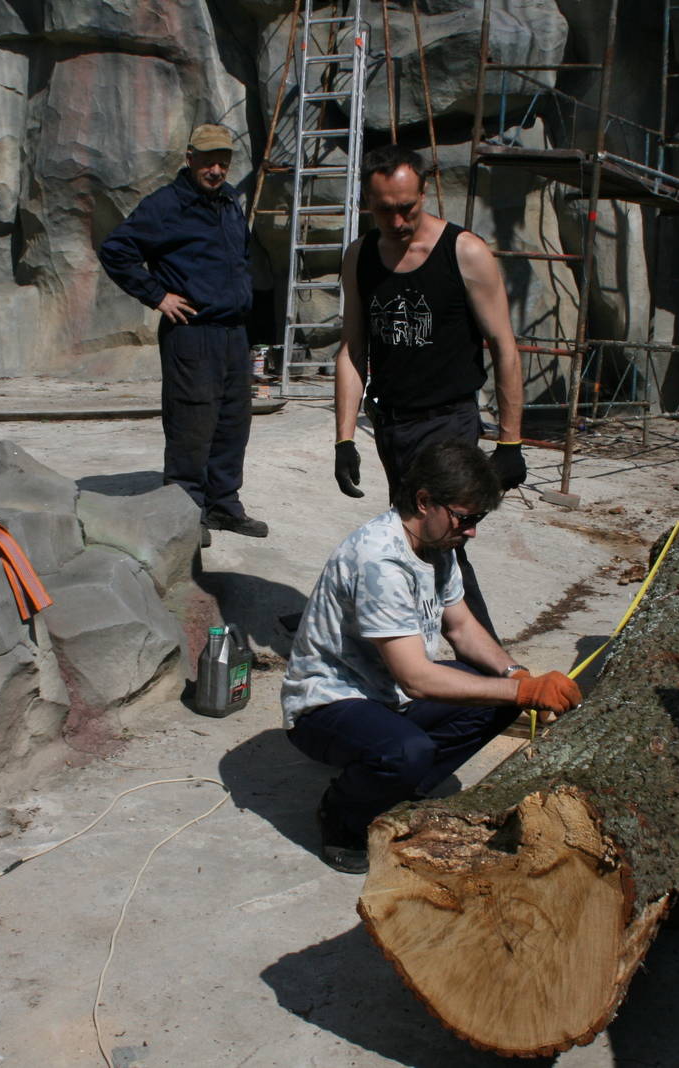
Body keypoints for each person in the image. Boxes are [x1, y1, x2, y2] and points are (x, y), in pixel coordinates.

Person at [282, 439, 581, 873]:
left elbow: (460, 626)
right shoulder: (381, 561)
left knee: (493, 699)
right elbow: (417, 679)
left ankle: (398, 796)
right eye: (466, 517)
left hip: (388, 697)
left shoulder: (438, 547)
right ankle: (343, 816)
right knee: (406, 751)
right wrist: (522, 693)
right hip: (328, 703)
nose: (473, 529)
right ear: (424, 502)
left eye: (478, 519)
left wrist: (516, 676)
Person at [330, 143, 525, 632]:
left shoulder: (464, 252)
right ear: (367, 204)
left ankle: (491, 667)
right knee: (404, 538)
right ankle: (383, 632)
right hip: (393, 425)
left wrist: (510, 441)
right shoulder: (361, 257)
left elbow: (504, 346)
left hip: (449, 422)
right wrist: (345, 438)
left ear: (424, 191)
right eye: (384, 211)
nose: (396, 222)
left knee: (440, 538)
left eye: (407, 208)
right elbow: (353, 351)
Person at [99, 123, 264, 546]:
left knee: (232, 423)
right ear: (189, 158)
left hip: (232, 334)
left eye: (223, 161)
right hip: (192, 333)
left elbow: (241, 258)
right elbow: (116, 251)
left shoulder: (229, 203)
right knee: (192, 422)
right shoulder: (166, 205)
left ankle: (224, 505)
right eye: (207, 160)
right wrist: (158, 296)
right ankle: (187, 512)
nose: (216, 169)